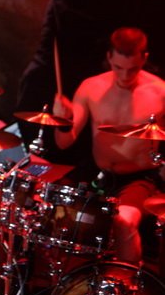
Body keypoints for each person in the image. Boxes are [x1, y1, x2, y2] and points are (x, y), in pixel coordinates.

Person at [53, 27, 165, 264]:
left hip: (140, 179)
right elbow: (64, 143)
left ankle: (128, 281)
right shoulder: (90, 87)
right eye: (118, 68)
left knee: (124, 221)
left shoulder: (160, 92)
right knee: (61, 215)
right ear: (109, 57)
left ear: (144, 58)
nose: (125, 76)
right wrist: (63, 120)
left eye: (133, 69)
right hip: (99, 176)